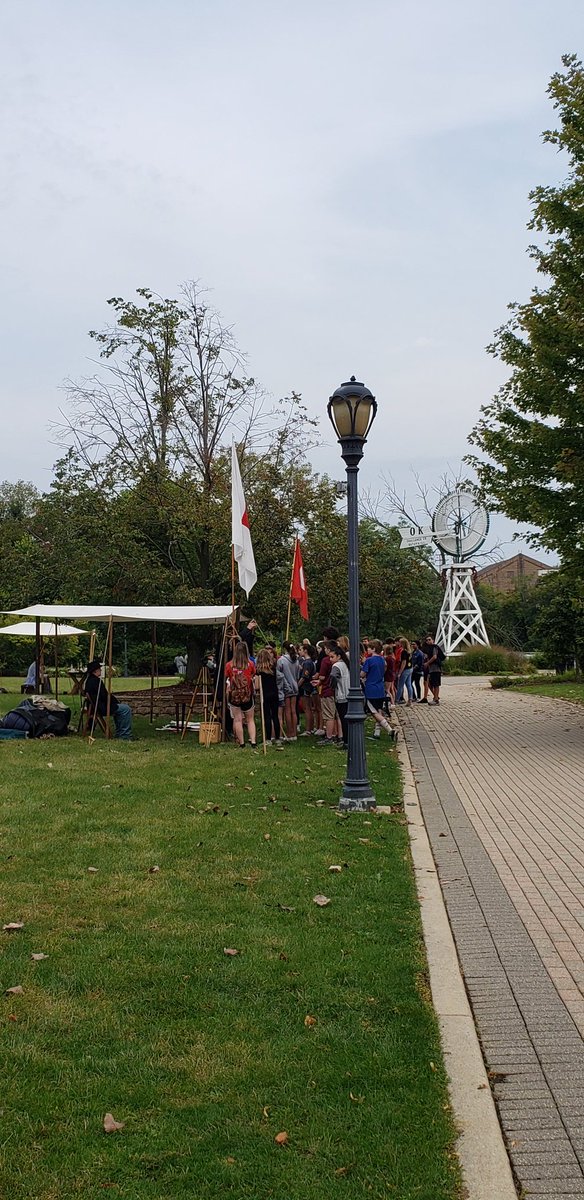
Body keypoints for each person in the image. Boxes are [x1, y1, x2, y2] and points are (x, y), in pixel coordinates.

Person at [84, 660, 132, 740]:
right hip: (101, 707)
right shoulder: (96, 682)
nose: (101, 670)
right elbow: (104, 696)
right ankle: (124, 735)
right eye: (99, 669)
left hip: (97, 706)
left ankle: (120, 733)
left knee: (121, 708)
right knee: (126, 709)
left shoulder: (89, 681)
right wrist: (114, 702)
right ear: (95, 671)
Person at [361, 640, 395, 739]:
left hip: (371, 688)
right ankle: (377, 732)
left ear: (374, 649)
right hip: (380, 687)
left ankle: (389, 729)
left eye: (369, 648)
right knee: (379, 710)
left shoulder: (369, 660)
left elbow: (362, 674)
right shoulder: (383, 660)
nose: (367, 649)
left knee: (374, 711)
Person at [225, 641, 257, 747]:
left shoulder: (229, 665)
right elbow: (253, 675)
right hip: (247, 694)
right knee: (250, 719)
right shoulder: (250, 664)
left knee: (238, 719)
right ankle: (253, 741)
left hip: (234, 696)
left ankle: (242, 743)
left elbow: (227, 677)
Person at [255, 647, 282, 747]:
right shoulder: (273, 669)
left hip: (265, 695)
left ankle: (268, 739)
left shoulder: (259, 671)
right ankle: (278, 738)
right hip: (274, 693)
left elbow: (257, 686)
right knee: (275, 715)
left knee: (267, 716)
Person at [277, 642, 302, 740]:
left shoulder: (282, 660)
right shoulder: (296, 660)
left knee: (287, 711)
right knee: (293, 710)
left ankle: (289, 733)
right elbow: (297, 674)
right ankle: (294, 733)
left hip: (286, 687)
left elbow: (278, 674)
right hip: (295, 686)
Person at [328, 642, 350, 748]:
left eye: (332, 657)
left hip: (341, 695)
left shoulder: (336, 666)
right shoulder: (346, 664)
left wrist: (332, 686)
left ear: (339, 656)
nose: (330, 659)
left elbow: (333, 676)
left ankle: (346, 741)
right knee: (348, 720)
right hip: (349, 694)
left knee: (343, 719)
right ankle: (348, 740)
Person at [298, 645, 318, 735]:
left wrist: (297, 685)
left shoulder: (307, 662)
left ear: (305, 651)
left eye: (300, 649)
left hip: (305, 687)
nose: (299, 651)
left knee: (307, 708)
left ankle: (308, 729)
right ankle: (312, 727)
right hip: (310, 686)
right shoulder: (311, 662)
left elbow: (304, 676)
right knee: (309, 708)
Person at [423, 635, 445, 704]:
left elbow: (434, 656)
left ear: (433, 640)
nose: (428, 641)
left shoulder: (434, 647)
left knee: (436, 684)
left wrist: (427, 663)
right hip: (431, 669)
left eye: (429, 639)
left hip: (436, 668)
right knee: (431, 683)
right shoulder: (428, 649)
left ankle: (436, 699)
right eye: (427, 640)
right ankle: (435, 697)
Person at [396, 638, 413, 707]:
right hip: (410, 668)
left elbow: (403, 662)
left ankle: (396, 699)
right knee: (409, 685)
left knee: (400, 685)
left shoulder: (403, 652)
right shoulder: (409, 651)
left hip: (405, 669)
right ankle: (410, 699)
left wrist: (400, 672)